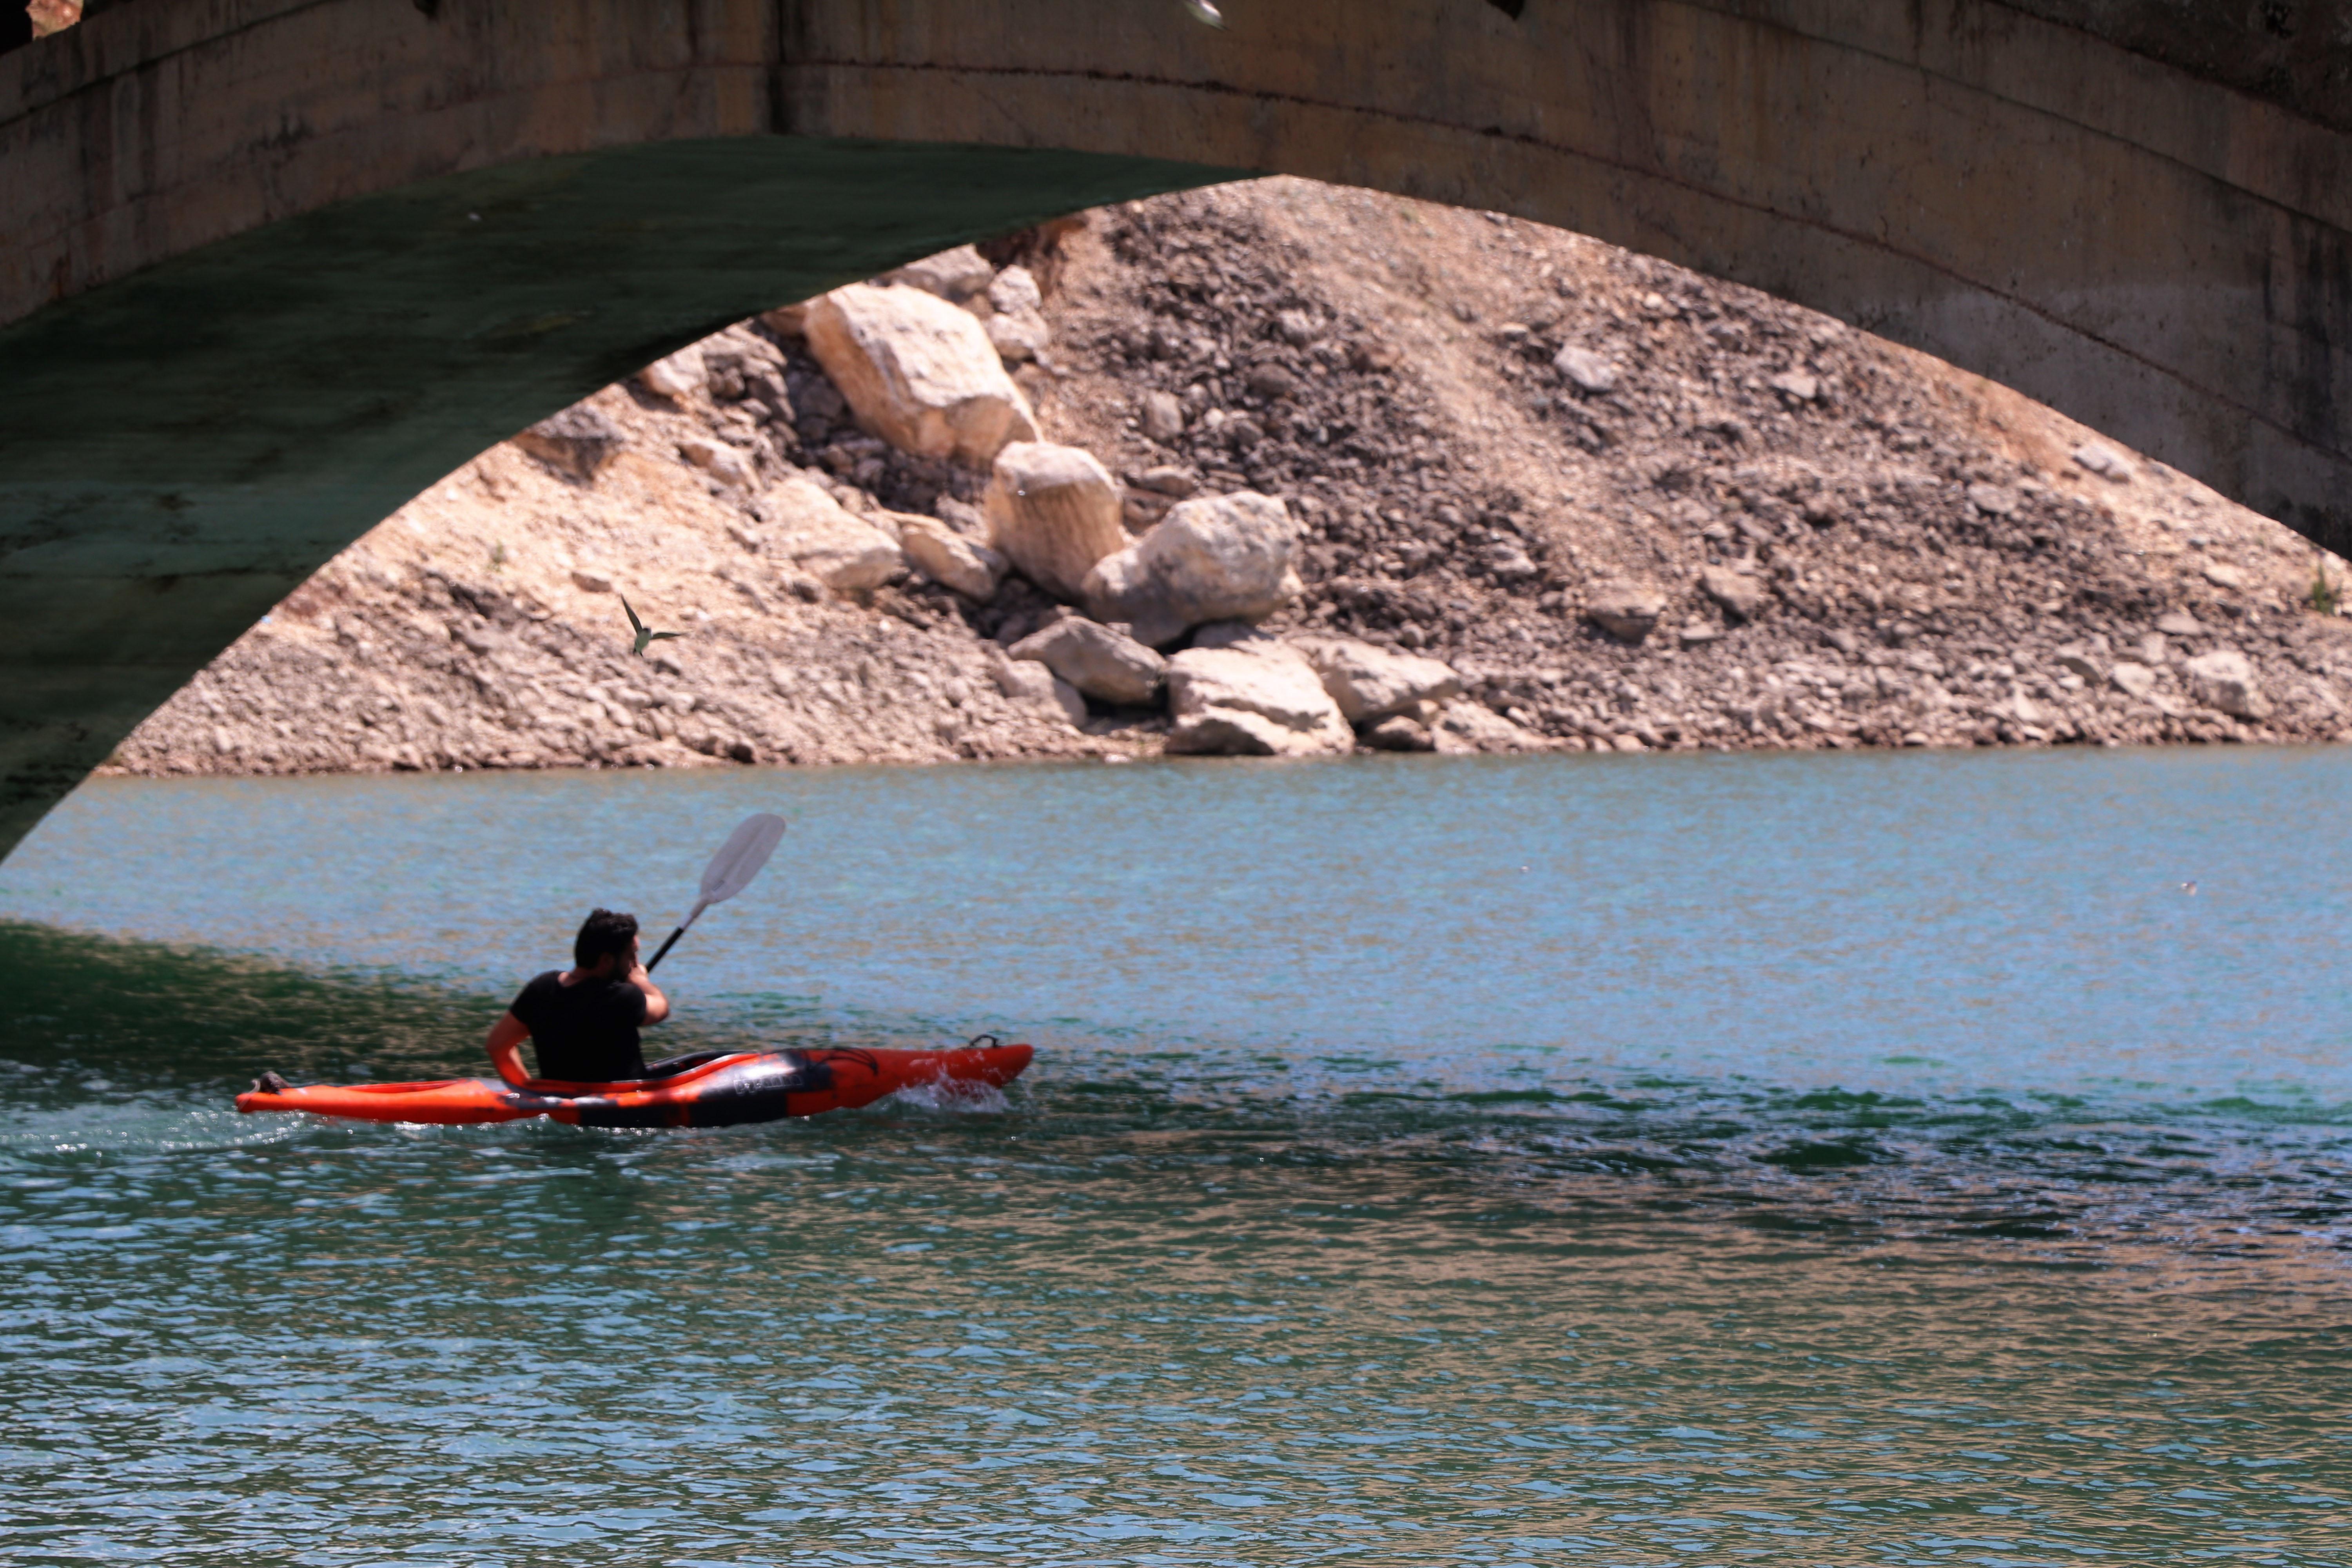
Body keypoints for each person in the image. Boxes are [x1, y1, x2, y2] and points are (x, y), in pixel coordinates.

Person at [486, 908, 671, 1087]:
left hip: (558, 1100)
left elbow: (497, 1046)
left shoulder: (541, 989)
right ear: (607, 961)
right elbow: (661, 1008)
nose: (635, 964)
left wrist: (528, 1088)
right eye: (631, 956)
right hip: (621, 1101)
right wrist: (640, 980)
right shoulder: (620, 996)